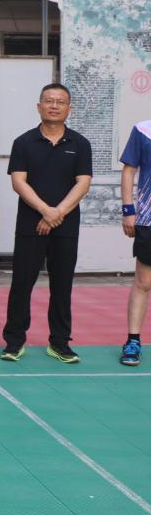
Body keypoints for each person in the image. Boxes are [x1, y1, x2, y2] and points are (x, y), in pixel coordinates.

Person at [2, 83, 92, 364]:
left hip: (66, 226)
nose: (54, 106)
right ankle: (14, 341)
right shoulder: (24, 142)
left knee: (62, 286)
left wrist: (57, 214)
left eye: (60, 102)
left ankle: (60, 343)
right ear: (39, 106)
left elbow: (83, 183)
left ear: (69, 109)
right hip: (30, 224)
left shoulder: (80, 144)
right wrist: (44, 211)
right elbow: (19, 182)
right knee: (22, 283)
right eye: (49, 101)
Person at [119, 119, 151, 366]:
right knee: (143, 282)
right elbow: (129, 170)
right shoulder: (143, 130)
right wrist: (129, 210)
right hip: (148, 220)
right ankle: (133, 341)